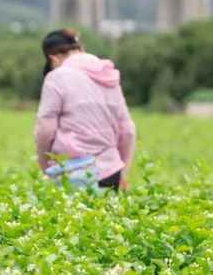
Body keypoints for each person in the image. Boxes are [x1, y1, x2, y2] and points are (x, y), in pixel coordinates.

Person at [34, 28, 136, 191]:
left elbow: (45, 129)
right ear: (80, 50)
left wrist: (44, 165)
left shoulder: (57, 77)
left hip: (72, 172)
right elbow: (128, 130)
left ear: (53, 60)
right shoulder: (108, 75)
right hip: (111, 171)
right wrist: (121, 170)